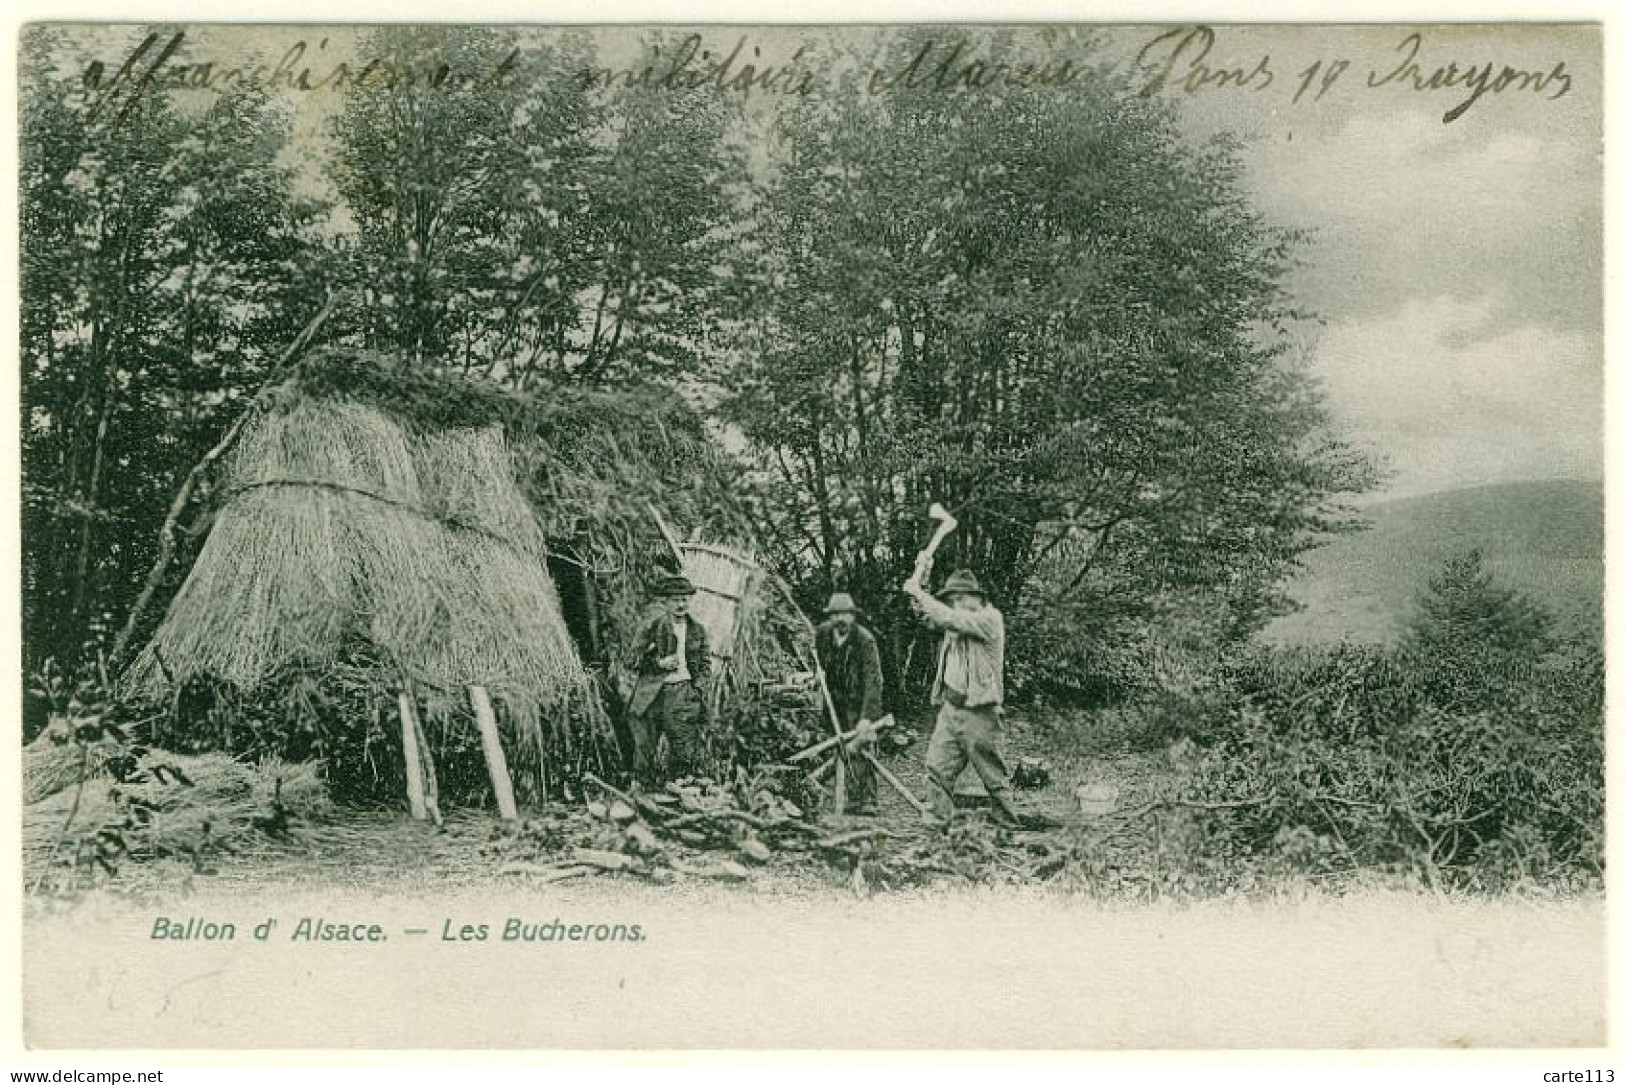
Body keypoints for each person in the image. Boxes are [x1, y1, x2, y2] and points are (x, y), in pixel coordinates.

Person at [903, 568, 1031, 829]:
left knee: (993, 775)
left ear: (977, 597)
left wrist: (918, 592)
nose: (956, 604)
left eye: (962, 598)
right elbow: (927, 617)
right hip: (950, 709)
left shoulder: (988, 619)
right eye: (953, 599)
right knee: (936, 768)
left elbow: (948, 617)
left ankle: (1007, 826)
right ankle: (940, 825)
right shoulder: (955, 622)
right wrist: (921, 581)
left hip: (980, 713)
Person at [625, 573, 711, 785]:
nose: (681, 604)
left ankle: (680, 793)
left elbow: (705, 664)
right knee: (644, 747)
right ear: (665, 602)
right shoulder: (652, 627)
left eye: (685, 599)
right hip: (652, 694)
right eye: (675, 599)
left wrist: (697, 689)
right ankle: (642, 794)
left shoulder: (697, 630)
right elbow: (631, 659)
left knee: (683, 749)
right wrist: (657, 664)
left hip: (682, 694)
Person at [814, 592, 886, 815]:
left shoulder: (865, 640)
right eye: (836, 614)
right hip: (835, 700)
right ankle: (850, 797)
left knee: (860, 746)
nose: (841, 619)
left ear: (853, 616)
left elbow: (874, 681)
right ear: (831, 617)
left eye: (845, 614)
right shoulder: (823, 634)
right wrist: (818, 676)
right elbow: (819, 662)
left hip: (859, 700)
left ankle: (868, 799)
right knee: (840, 748)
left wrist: (867, 716)